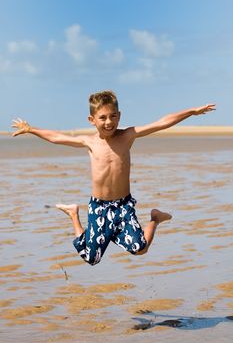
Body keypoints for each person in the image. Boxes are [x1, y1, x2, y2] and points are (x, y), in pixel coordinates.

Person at [12, 90, 215, 265]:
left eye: (113, 116)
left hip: (123, 206)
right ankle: (74, 213)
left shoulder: (127, 136)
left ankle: (155, 218)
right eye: (102, 118)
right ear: (92, 120)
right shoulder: (88, 141)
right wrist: (31, 129)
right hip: (99, 206)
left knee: (140, 248)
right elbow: (57, 137)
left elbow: (162, 123)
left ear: (119, 115)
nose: (109, 122)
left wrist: (192, 112)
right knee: (91, 258)